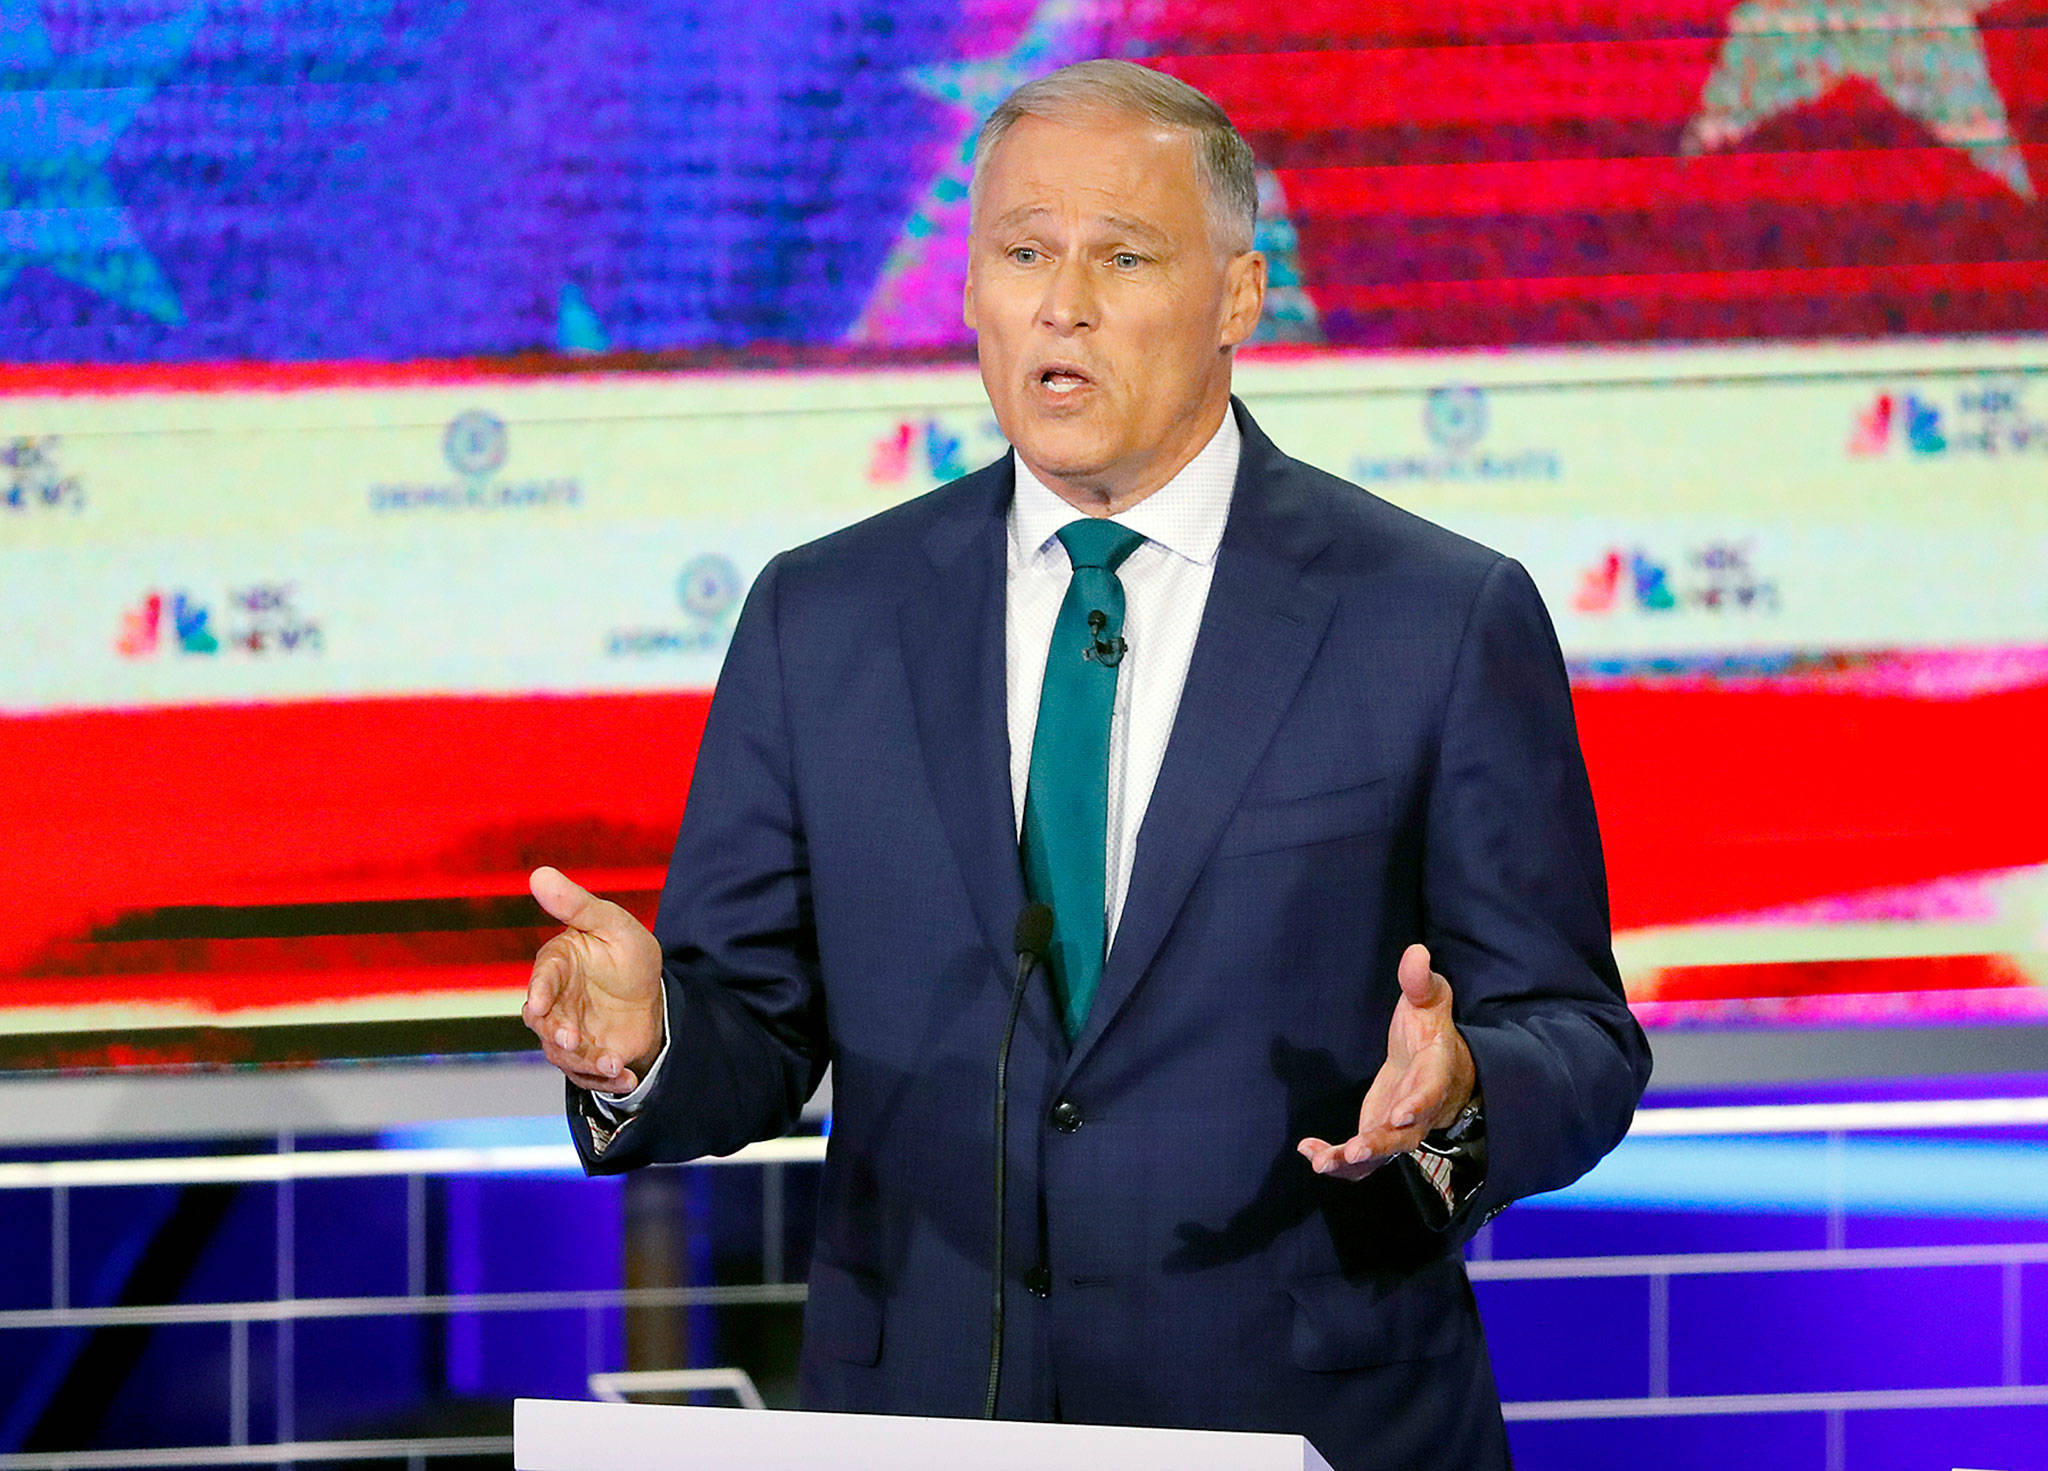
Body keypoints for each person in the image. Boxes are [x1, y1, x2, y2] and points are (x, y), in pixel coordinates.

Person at [521, 59, 1650, 1471]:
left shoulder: (1430, 615)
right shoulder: (826, 617)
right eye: (1021, 253)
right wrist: (646, 1042)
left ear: (1240, 299)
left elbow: (1581, 1037)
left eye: (1124, 255)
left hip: (1310, 1416)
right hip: (928, 1418)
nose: (1063, 303)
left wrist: (1467, 1090)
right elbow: (756, 1020)